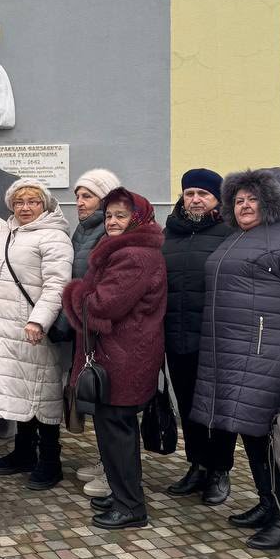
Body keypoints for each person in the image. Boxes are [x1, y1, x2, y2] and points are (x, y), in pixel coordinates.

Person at [193, 167, 280, 550]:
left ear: (273, 201)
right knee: (254, 435)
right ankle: (268, 504)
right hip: (237, 359)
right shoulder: (239, 238)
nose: (244, 206)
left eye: (252, 199)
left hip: (277, 363)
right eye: (238, 200)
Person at [62, 188, 167, 529]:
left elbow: (102, 305)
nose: (112, 221)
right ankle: (123, 494)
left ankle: (131, 507)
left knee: (117, 431)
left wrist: (74, 293)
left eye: (121, 215)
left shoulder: (133, 255)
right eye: (109, 215)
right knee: (113, 430)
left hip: (123, 357)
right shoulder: (122, 250)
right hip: (119, 354)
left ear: (138, 218)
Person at [0, 178, 72, 489]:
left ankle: (50, 461)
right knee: (20, 392)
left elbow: (57, 285)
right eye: (19, 202)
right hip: (6, 328)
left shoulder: (54, 236)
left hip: (34, 329)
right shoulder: (6, 232)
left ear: (45, 204)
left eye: (33, 201)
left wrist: (39, 321)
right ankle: (24, 452)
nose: (25, 207)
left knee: (42, 394)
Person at [161, 168, 234, 505]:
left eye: (203, 194)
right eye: (189, 193)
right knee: (188, 405)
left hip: (216, 338)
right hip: (177, 335)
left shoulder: (229, 233)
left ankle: (219, 469)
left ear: (217, 199)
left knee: (217, 407)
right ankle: (197, 464)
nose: (195, 199)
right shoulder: (170, 233)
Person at [55, 167, 120, 497]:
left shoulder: (107, 234)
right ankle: (105, 459)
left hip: (103, 332)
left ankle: (114, 470)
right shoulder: (83, 230)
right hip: (84, 328)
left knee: (110, 400)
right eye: (78, 196)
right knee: (97, 399)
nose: (79, 202)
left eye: (88, 196)